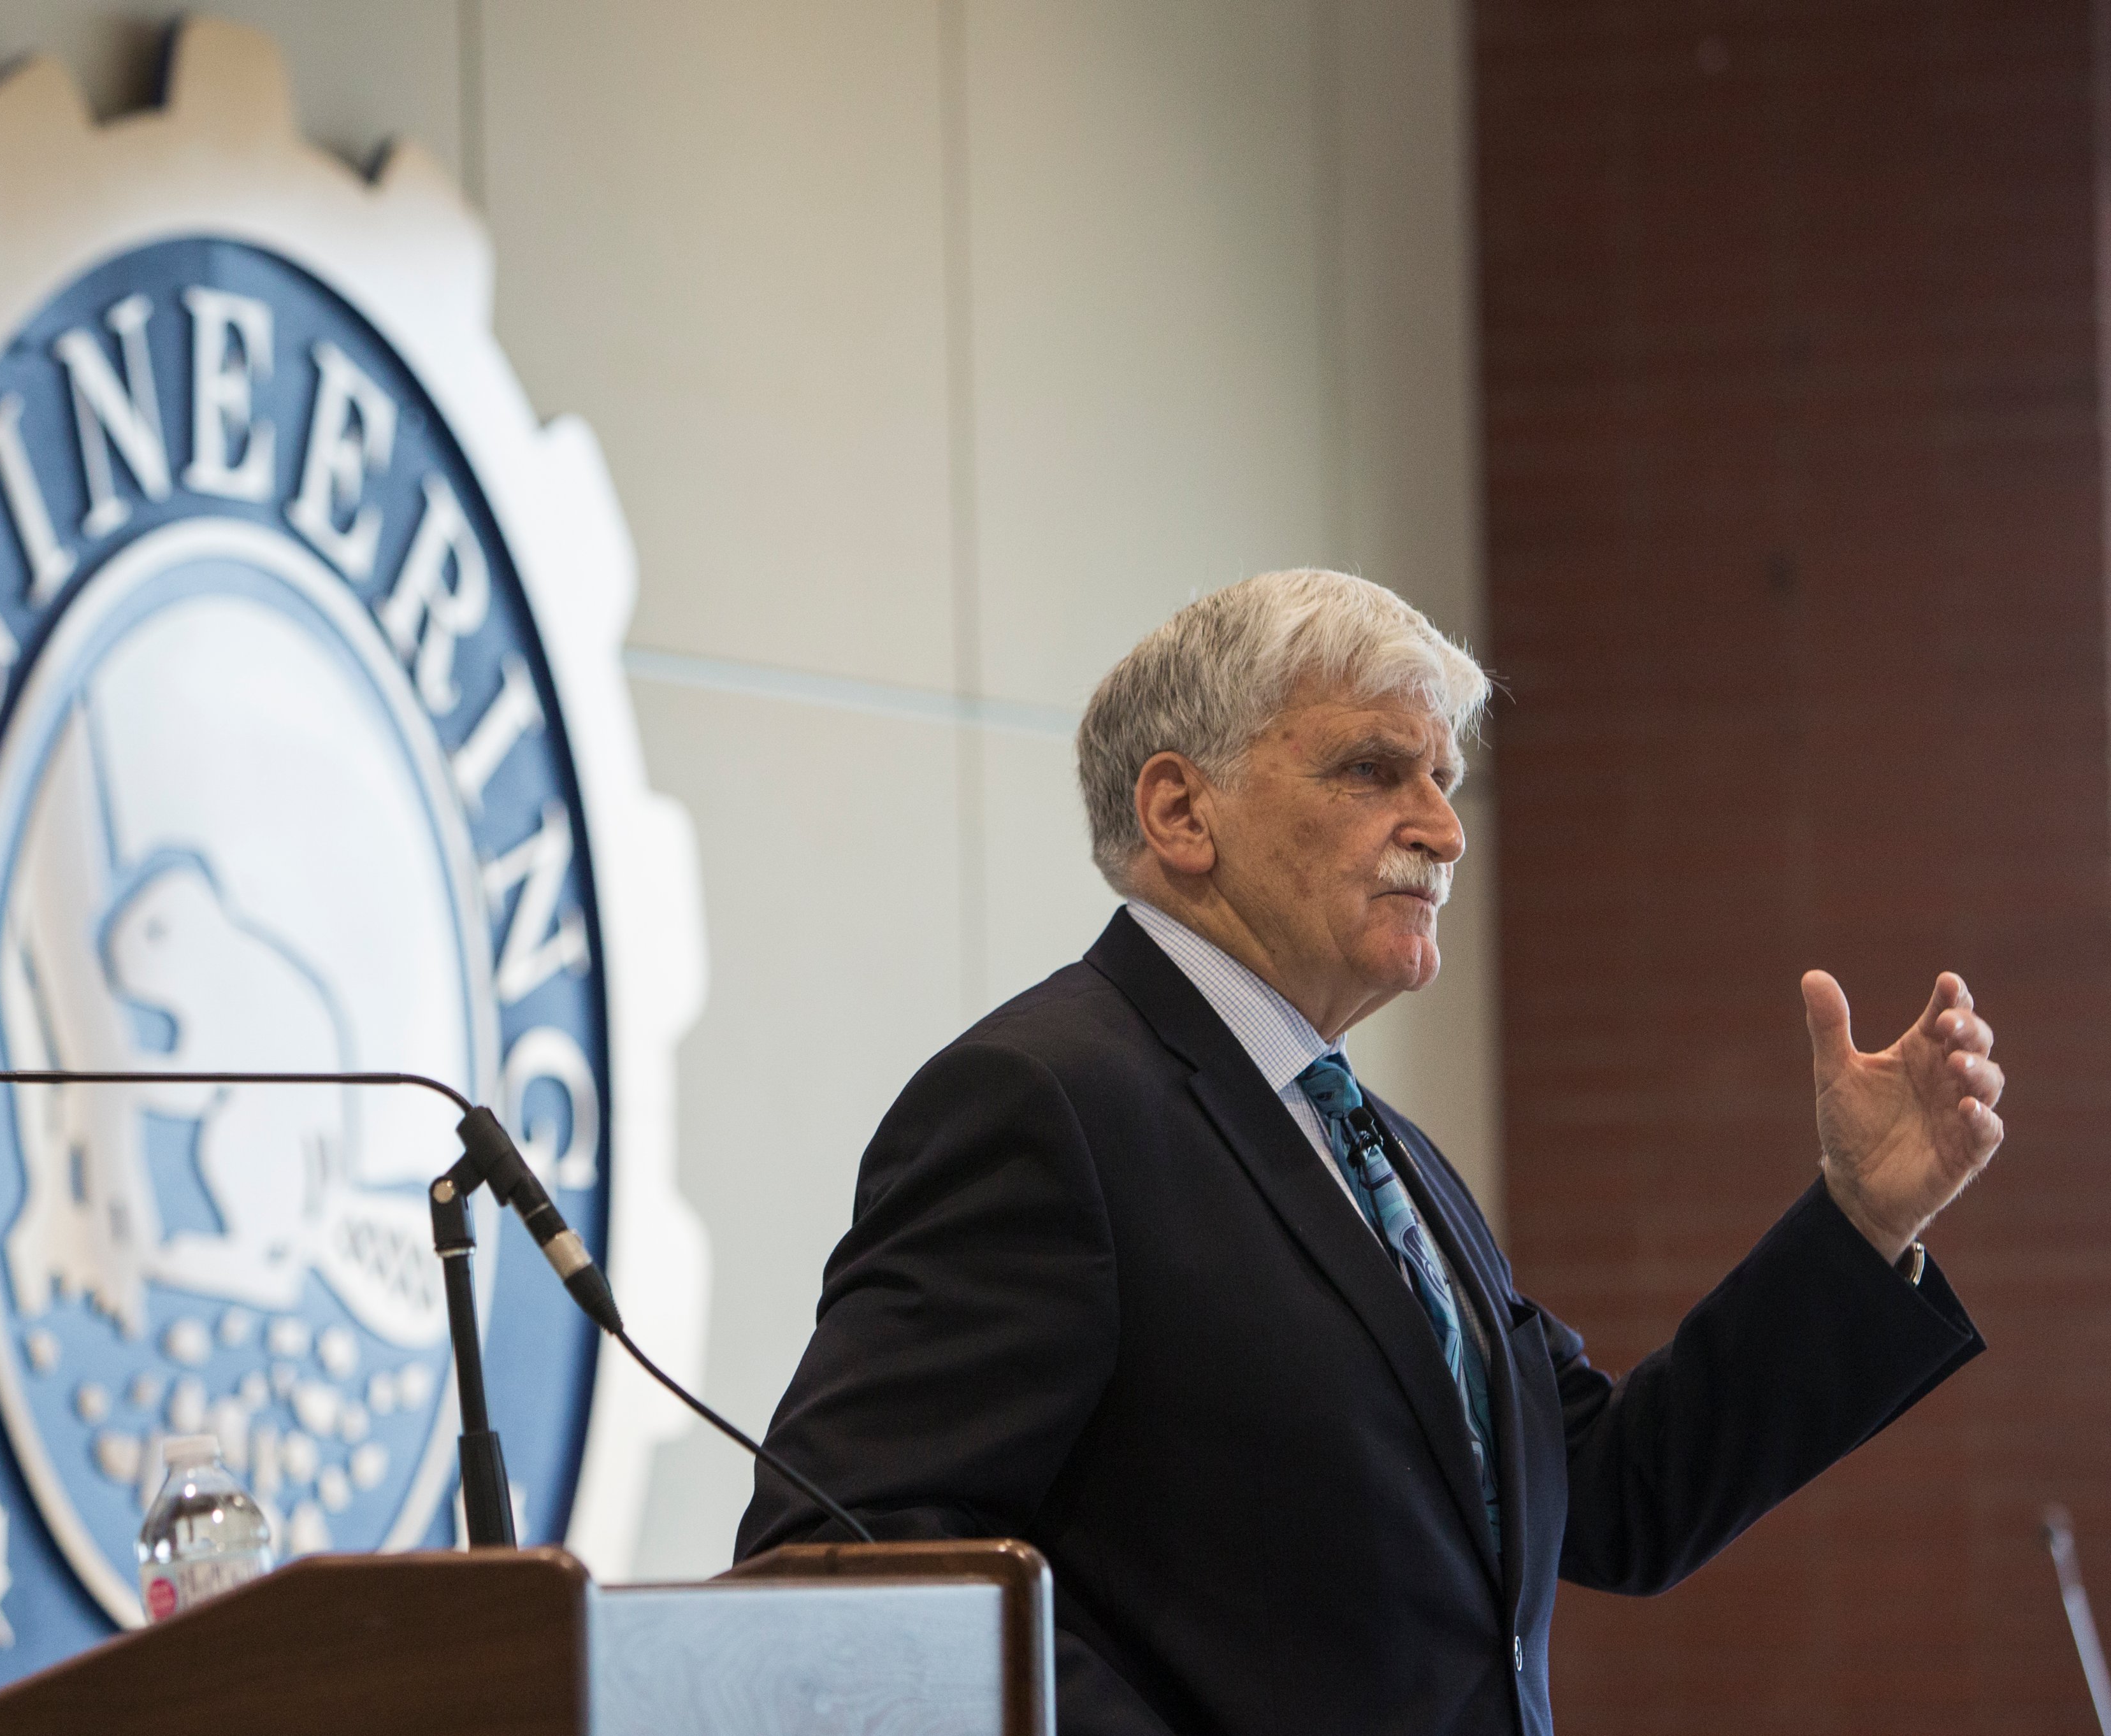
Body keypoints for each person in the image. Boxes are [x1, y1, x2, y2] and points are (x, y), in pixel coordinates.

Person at [733, 570, 2000, 1736]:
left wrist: (1857, 1223)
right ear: (1180, 809)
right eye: (1374, 771)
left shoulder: (1379, 1151)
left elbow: (1614, 1493)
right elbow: (845, 1566)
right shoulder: (1041, 1103)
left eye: (1444, 778)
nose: (1442, 831)